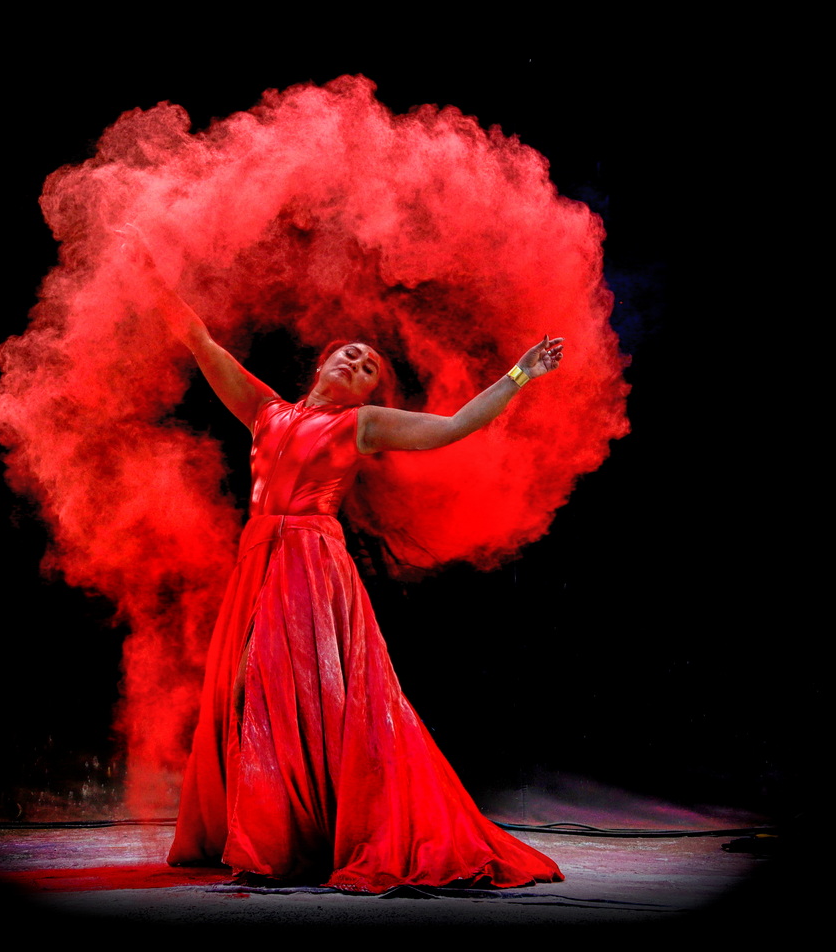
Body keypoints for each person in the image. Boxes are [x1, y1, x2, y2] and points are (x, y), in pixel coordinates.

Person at [125, 230, 565, 893]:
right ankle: (275, 833)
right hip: (258, 560)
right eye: (349, 354)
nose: (356, 362)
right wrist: (149, 274)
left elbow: (453, 427)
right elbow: (199, 340)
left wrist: (520, 374)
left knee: (288, 692)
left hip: (309, 563)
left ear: (367, 394)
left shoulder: (359, 424)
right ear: (322, 363)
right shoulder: (266, 412)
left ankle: (283, 843)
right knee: (248, 693)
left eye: (367, 368)